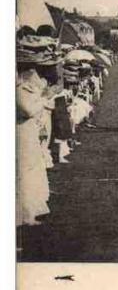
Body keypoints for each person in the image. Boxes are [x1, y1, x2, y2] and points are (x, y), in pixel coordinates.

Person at [16, 69, 51, 226]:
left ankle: (32, 210)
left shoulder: (23, 90)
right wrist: (42, 101)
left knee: (32, 169)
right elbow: (28, 110)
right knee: (25, 172)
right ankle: (25, 214)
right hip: (22, 132)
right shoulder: (19, 91)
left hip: (28, 131)